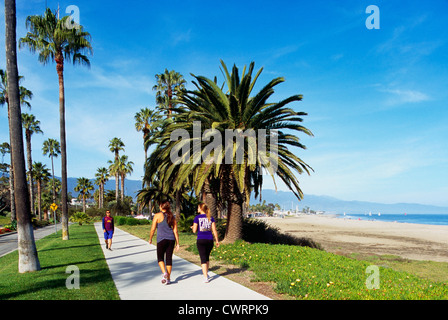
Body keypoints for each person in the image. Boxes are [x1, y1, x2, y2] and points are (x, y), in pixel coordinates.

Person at [149, 201, 180, 285]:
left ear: (161, 206)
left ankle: (164, 273)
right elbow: (175, 231)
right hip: (171, 239)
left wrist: (150, 238)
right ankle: (168, 279)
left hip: (161, 239)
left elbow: (153, 229)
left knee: (160, 258)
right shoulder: (171, 216)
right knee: (169, 259)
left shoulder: (157, 215)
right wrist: (177, 243)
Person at [192, 203, 219, 283]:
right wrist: (217, 240)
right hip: (209, 240)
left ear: (201, 208)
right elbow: (214, 230)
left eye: (198, 207)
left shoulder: (197, 218)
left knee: (203, 258)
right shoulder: (211, 218)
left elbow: (194, 231)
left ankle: (205, 277)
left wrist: (192, 227)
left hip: (201, 240)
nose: (197, 209)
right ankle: (206, 274)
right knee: (206, 257)